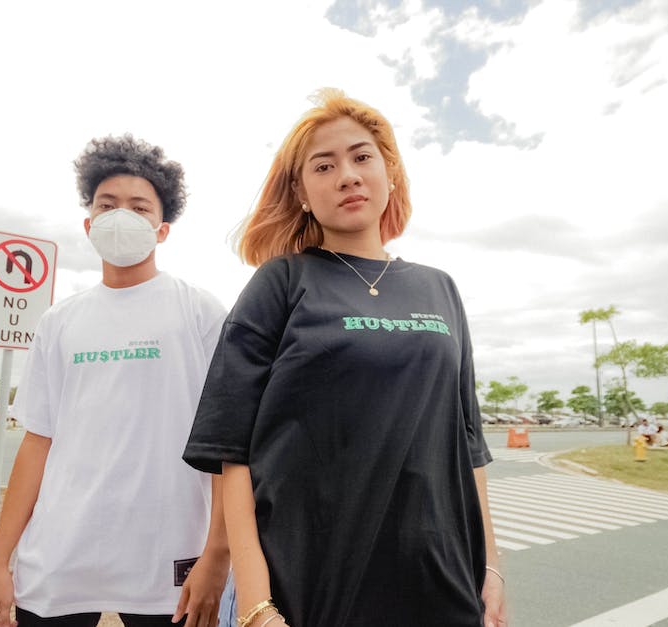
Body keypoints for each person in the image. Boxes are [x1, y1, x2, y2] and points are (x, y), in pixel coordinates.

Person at [183, 89, 506, 627]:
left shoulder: (439, 289)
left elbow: (468, 446)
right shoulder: (281, 283)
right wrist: (258, 604)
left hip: (440, 584)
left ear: (390, 172)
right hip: (308, 587)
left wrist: (490, 568)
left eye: (361, 158)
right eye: (324, 166)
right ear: (302, 191)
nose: (348, 176)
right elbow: (232, 454)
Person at [0, 135, 229, 627]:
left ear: (162, 230)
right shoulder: (59, 321)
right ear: (89, 224)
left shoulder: (199, 312)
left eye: (139, 207)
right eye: (107, 205)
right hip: (58, 556)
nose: (121, 216)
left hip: (169, 556)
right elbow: (37, 442)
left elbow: (225, 444)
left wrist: (217, 554)